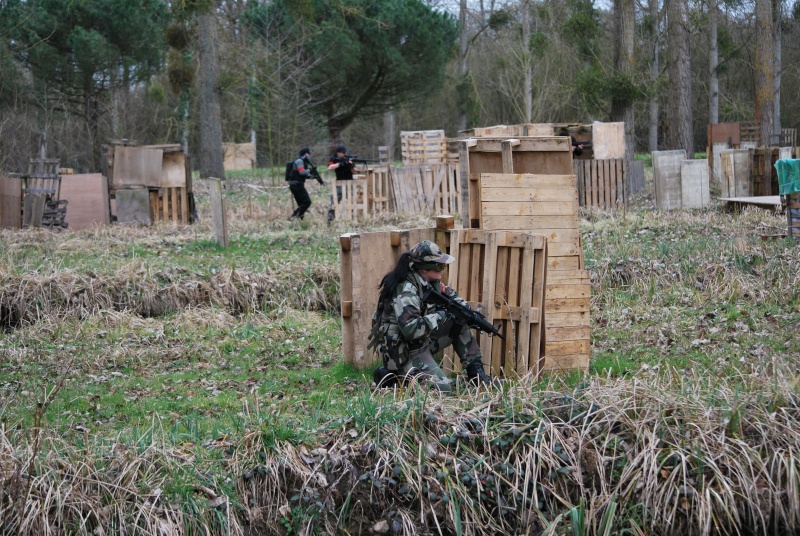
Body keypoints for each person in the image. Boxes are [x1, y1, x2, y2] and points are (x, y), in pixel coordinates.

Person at [368, 240, 496, 393]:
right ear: (425, 269)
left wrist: (466, 312)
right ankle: (393, 378)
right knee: (442, 389)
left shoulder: (428, 282)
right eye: (439, 266)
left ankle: (477, 377)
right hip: (404, 352)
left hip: (420, 343)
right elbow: (411, 330)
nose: (442, 271)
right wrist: (440, 315)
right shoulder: (406, 291)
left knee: (459, 321)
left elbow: (452, 297)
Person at [288, 147, 323, 221]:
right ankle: (293, 216)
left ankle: (300, 221)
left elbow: (301, 175)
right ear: (306, 154)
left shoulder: (300, 161)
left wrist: (311, 177)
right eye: (308, 154)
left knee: (302, 204)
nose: (309, 156)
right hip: (297, 185)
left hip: (295, 184)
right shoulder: (300, 161)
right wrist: (310, 170)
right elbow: (302, 172)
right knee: (307, 202)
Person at [326, 145, 354, 223]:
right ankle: (330, 220)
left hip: (349, 182)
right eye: (343, 152)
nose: (344, 154)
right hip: (339, 183)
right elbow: (330, 167)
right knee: (335, 201)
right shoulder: (334, 159)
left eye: (345, 152)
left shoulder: (347, 159)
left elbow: (354, 172)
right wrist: (341, 164)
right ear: (338, 153)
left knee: (353, 200)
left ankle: (353, 218)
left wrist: (351, 165)